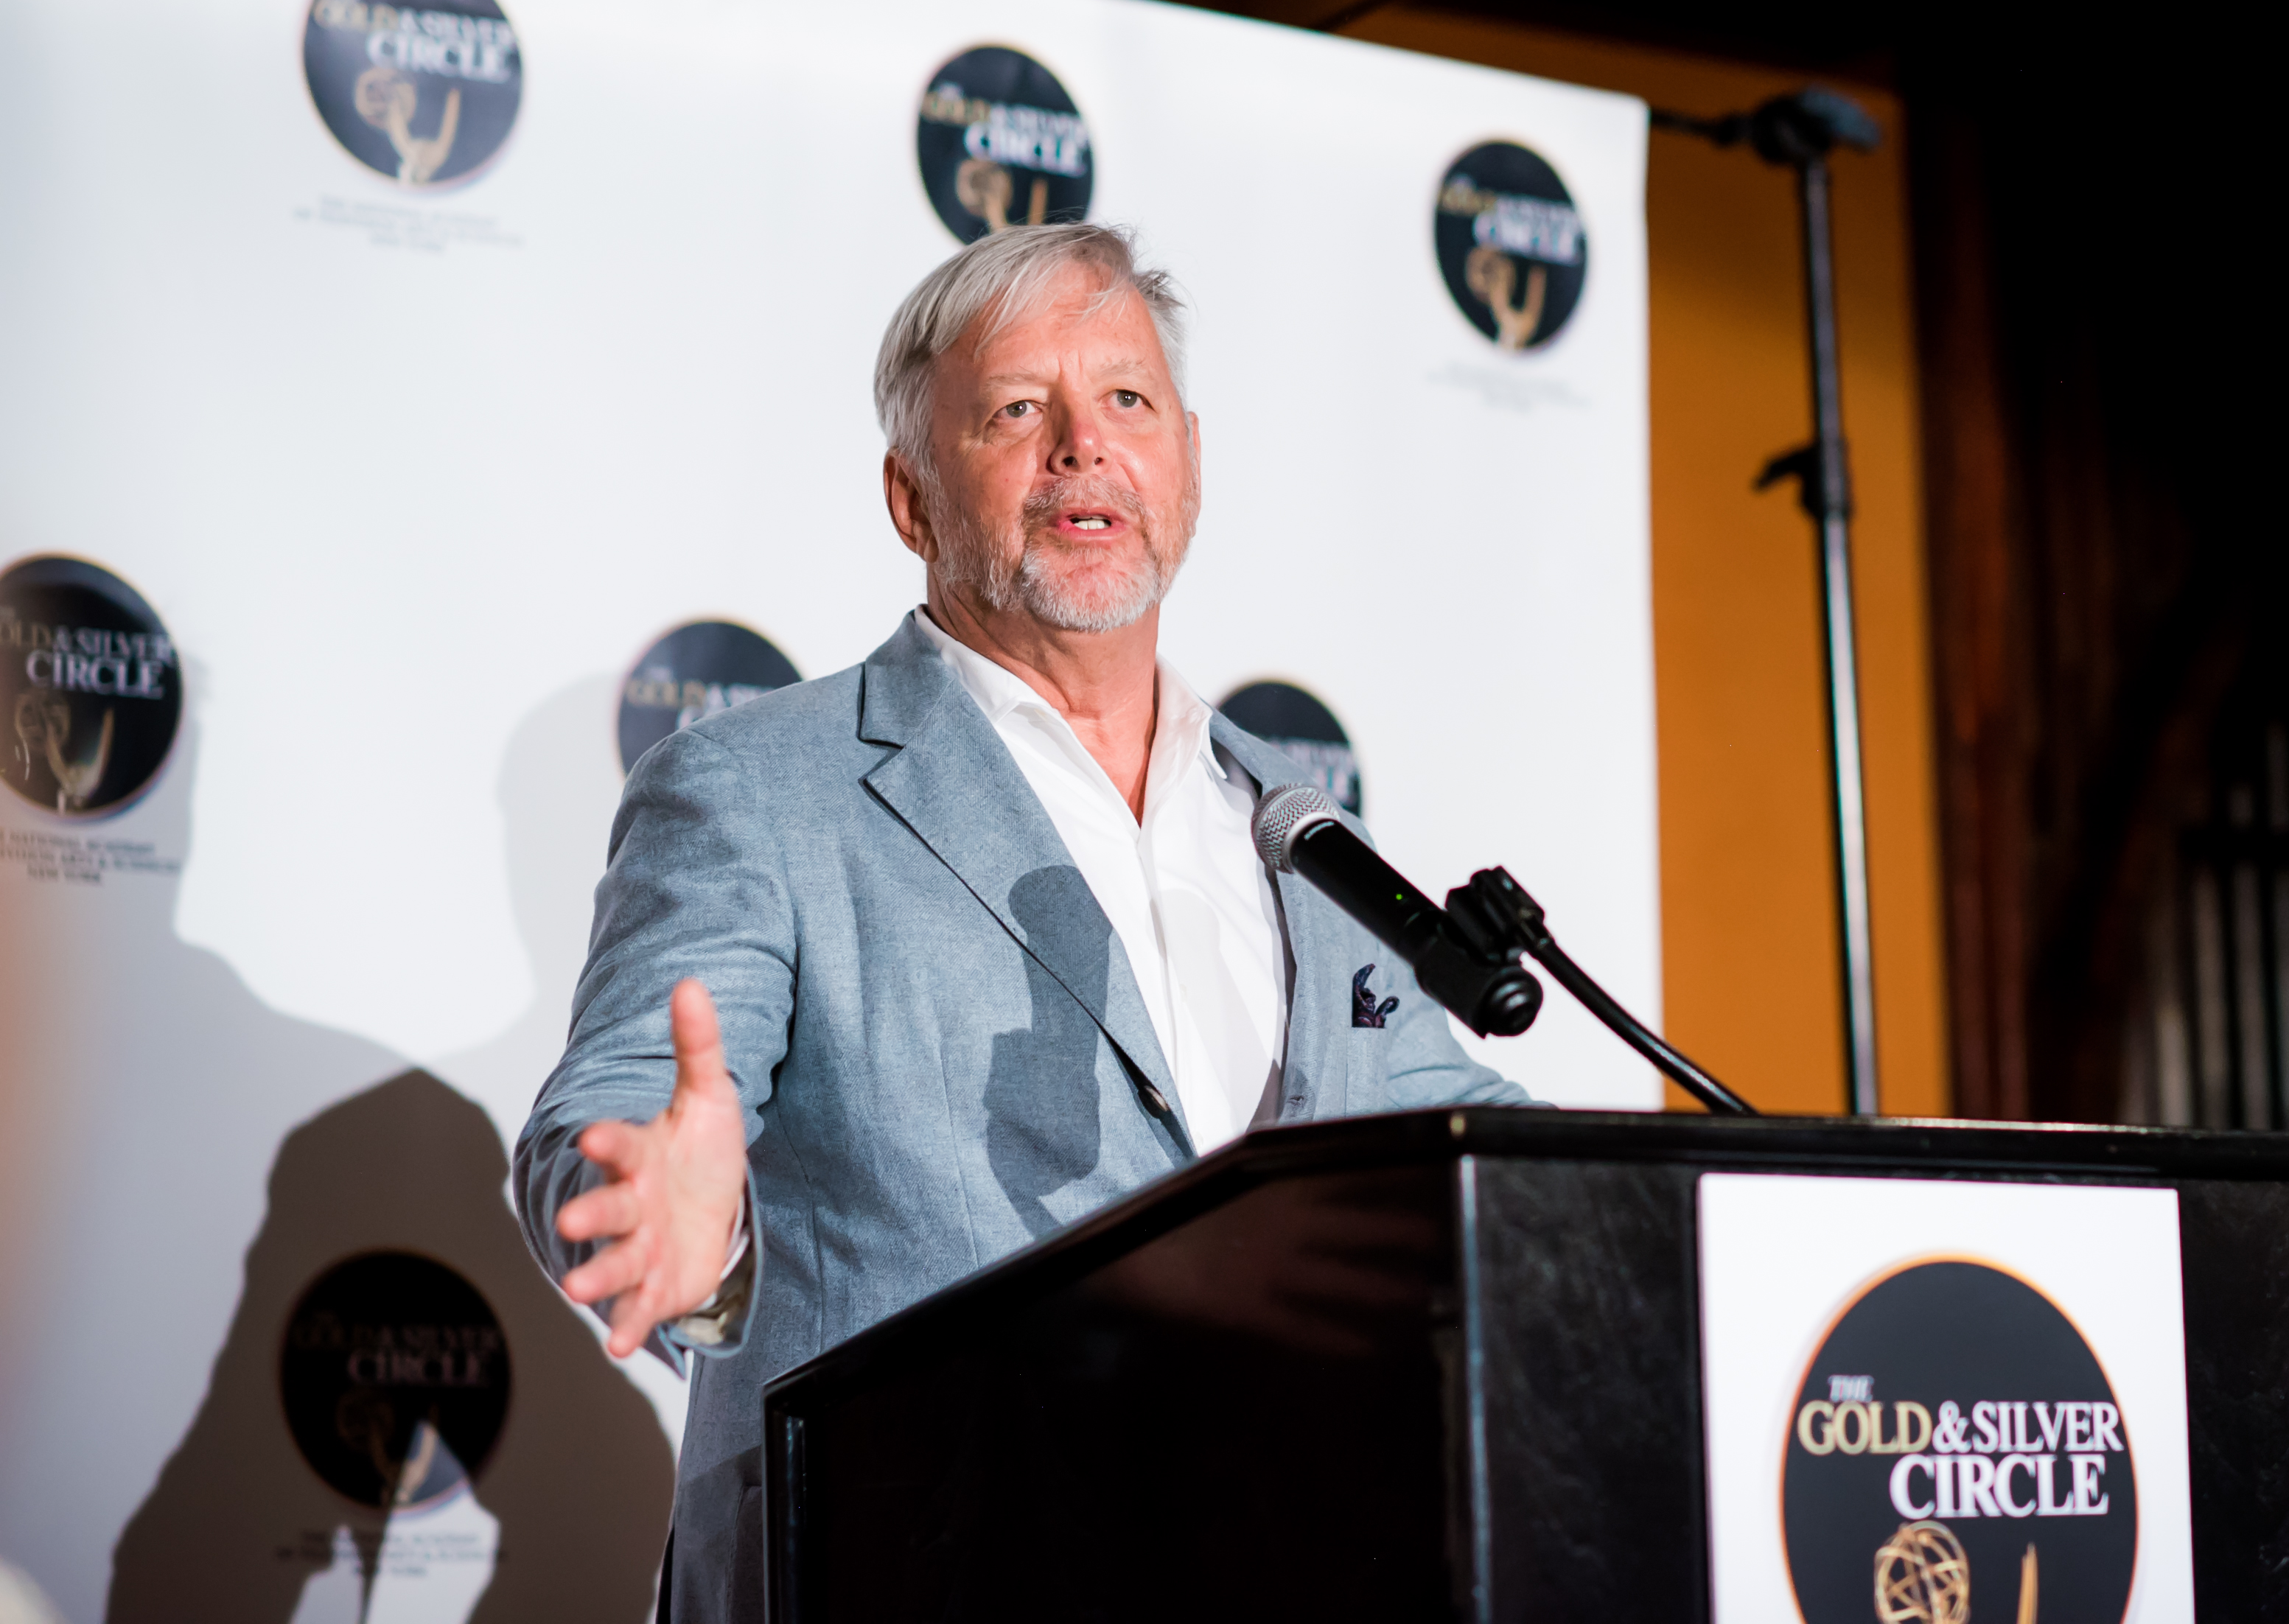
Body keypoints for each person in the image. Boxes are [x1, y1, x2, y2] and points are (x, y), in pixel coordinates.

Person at [511, 222, 1529, 1620]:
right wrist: (685, 1235)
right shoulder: (757, 790)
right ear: (912, 497)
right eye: (1013, 412)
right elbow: (615, 1120)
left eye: (1127, 399)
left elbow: (1479, 1160)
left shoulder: (1301, 834)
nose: (1082, 447)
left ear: (1187, 462)